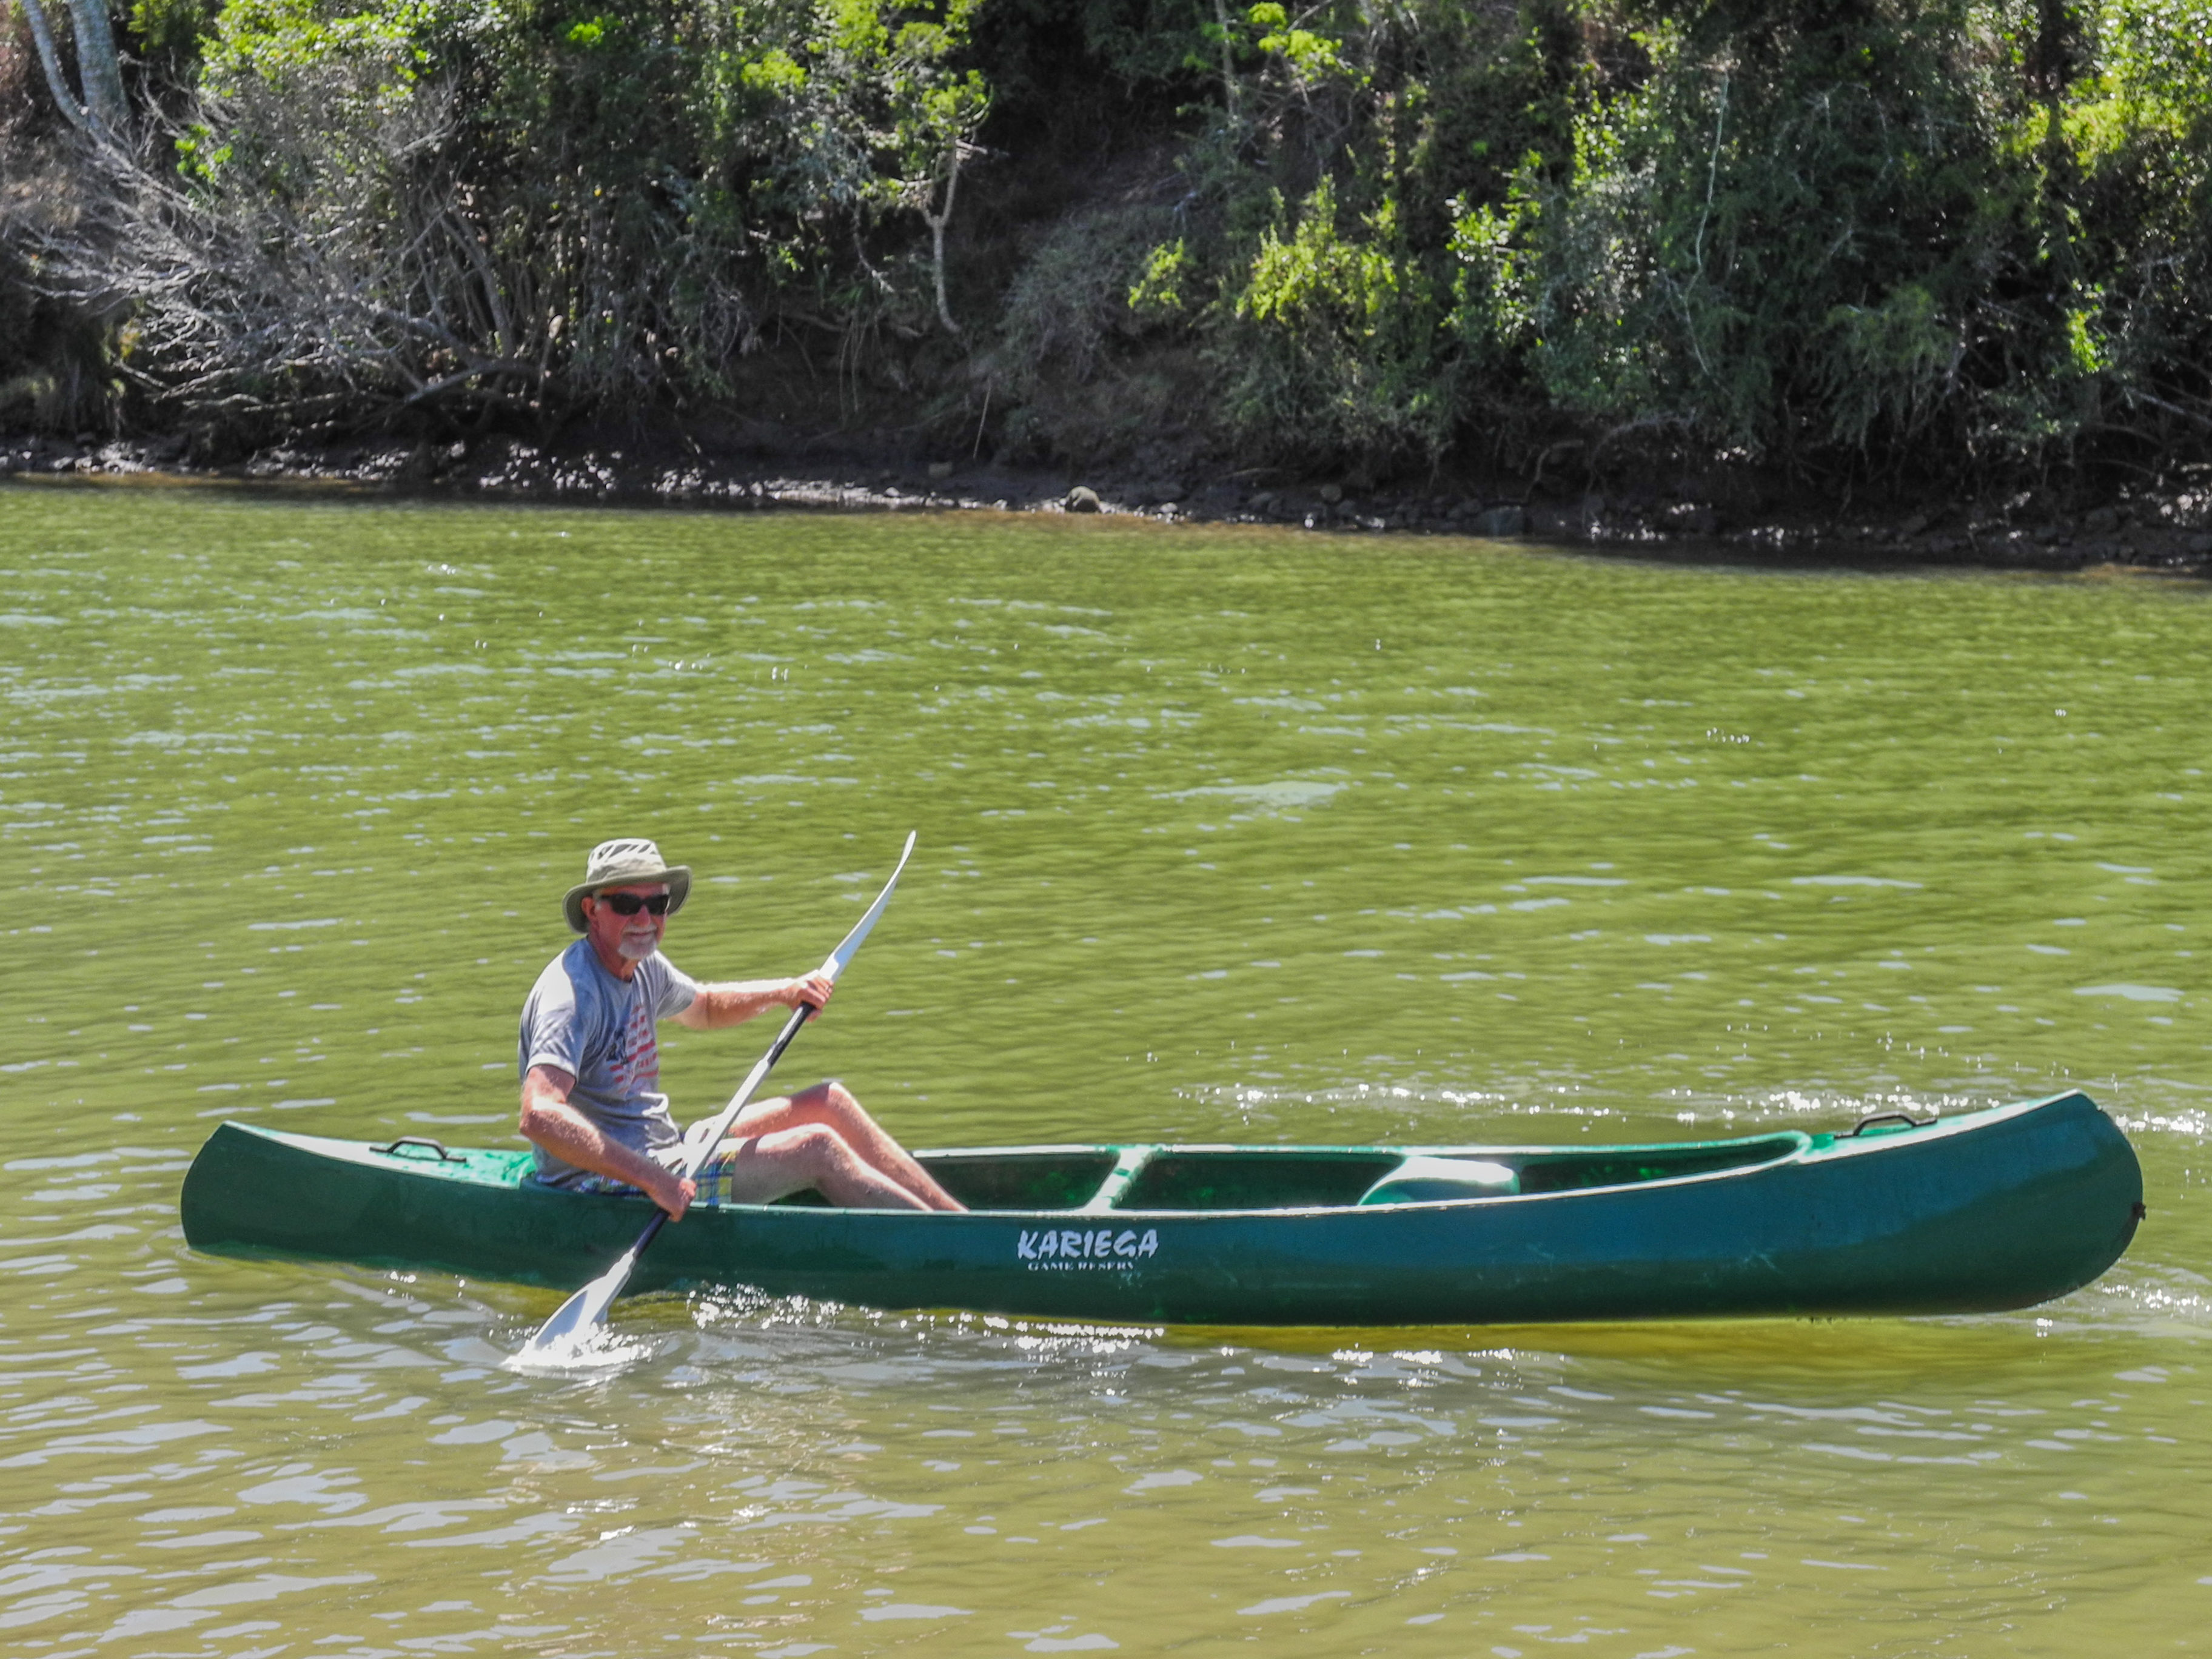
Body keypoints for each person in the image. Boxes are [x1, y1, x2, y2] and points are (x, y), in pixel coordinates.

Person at [517, 837, 964, 1217]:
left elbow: (707, 1008)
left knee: (830, 1102)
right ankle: (953, 1253)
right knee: (817, 1146)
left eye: (657, 904)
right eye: (627, 904)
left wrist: (786, 991)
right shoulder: (572, 996)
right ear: (593, 911)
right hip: (599, 1183)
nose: (645, 919)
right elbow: (538, 1115)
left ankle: (961, 1224)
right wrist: (655, 1180)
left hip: (667, 1149)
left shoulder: (644, 965)